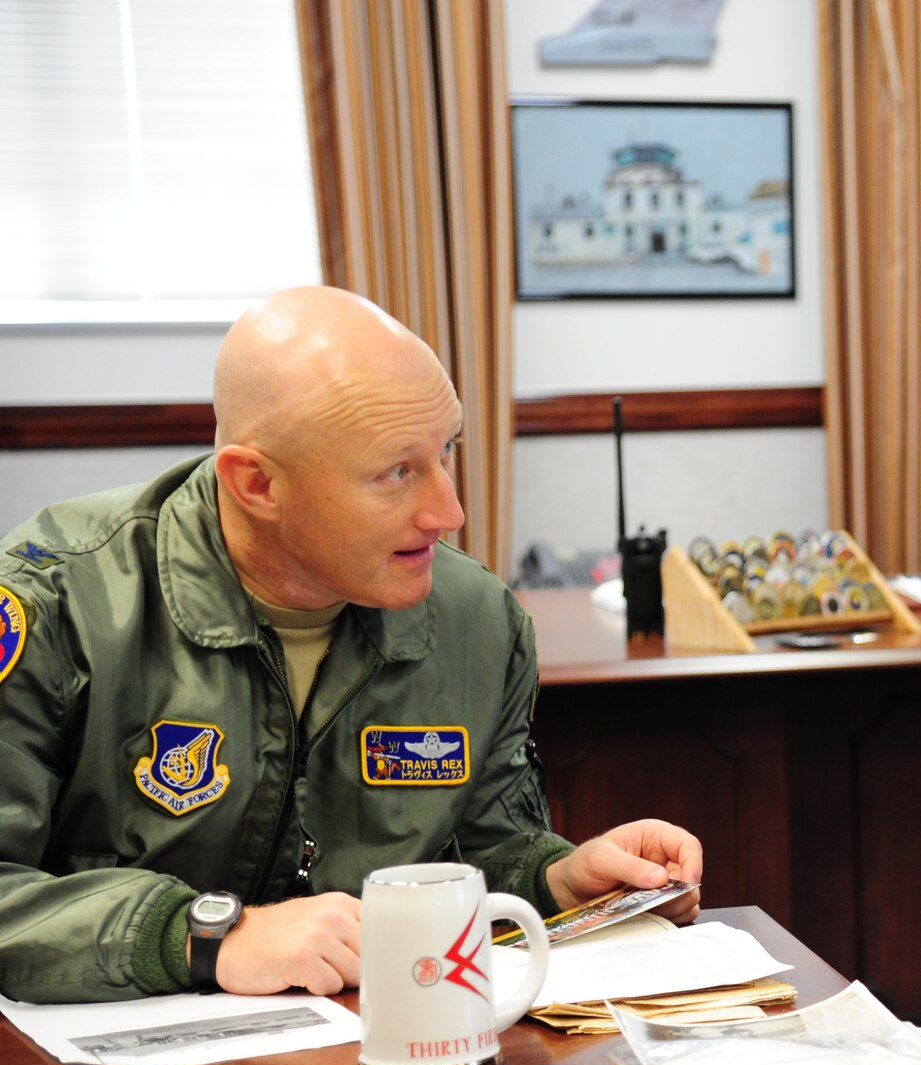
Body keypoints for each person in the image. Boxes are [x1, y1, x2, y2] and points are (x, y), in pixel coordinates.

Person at [0, 286, 701, 1003]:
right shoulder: (54, 607)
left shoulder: (477, 623)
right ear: (257, 483)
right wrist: (205, 935)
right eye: (396, 471)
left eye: (446, 450)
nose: (449, 511)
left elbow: (488, 850)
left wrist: (558, 880)